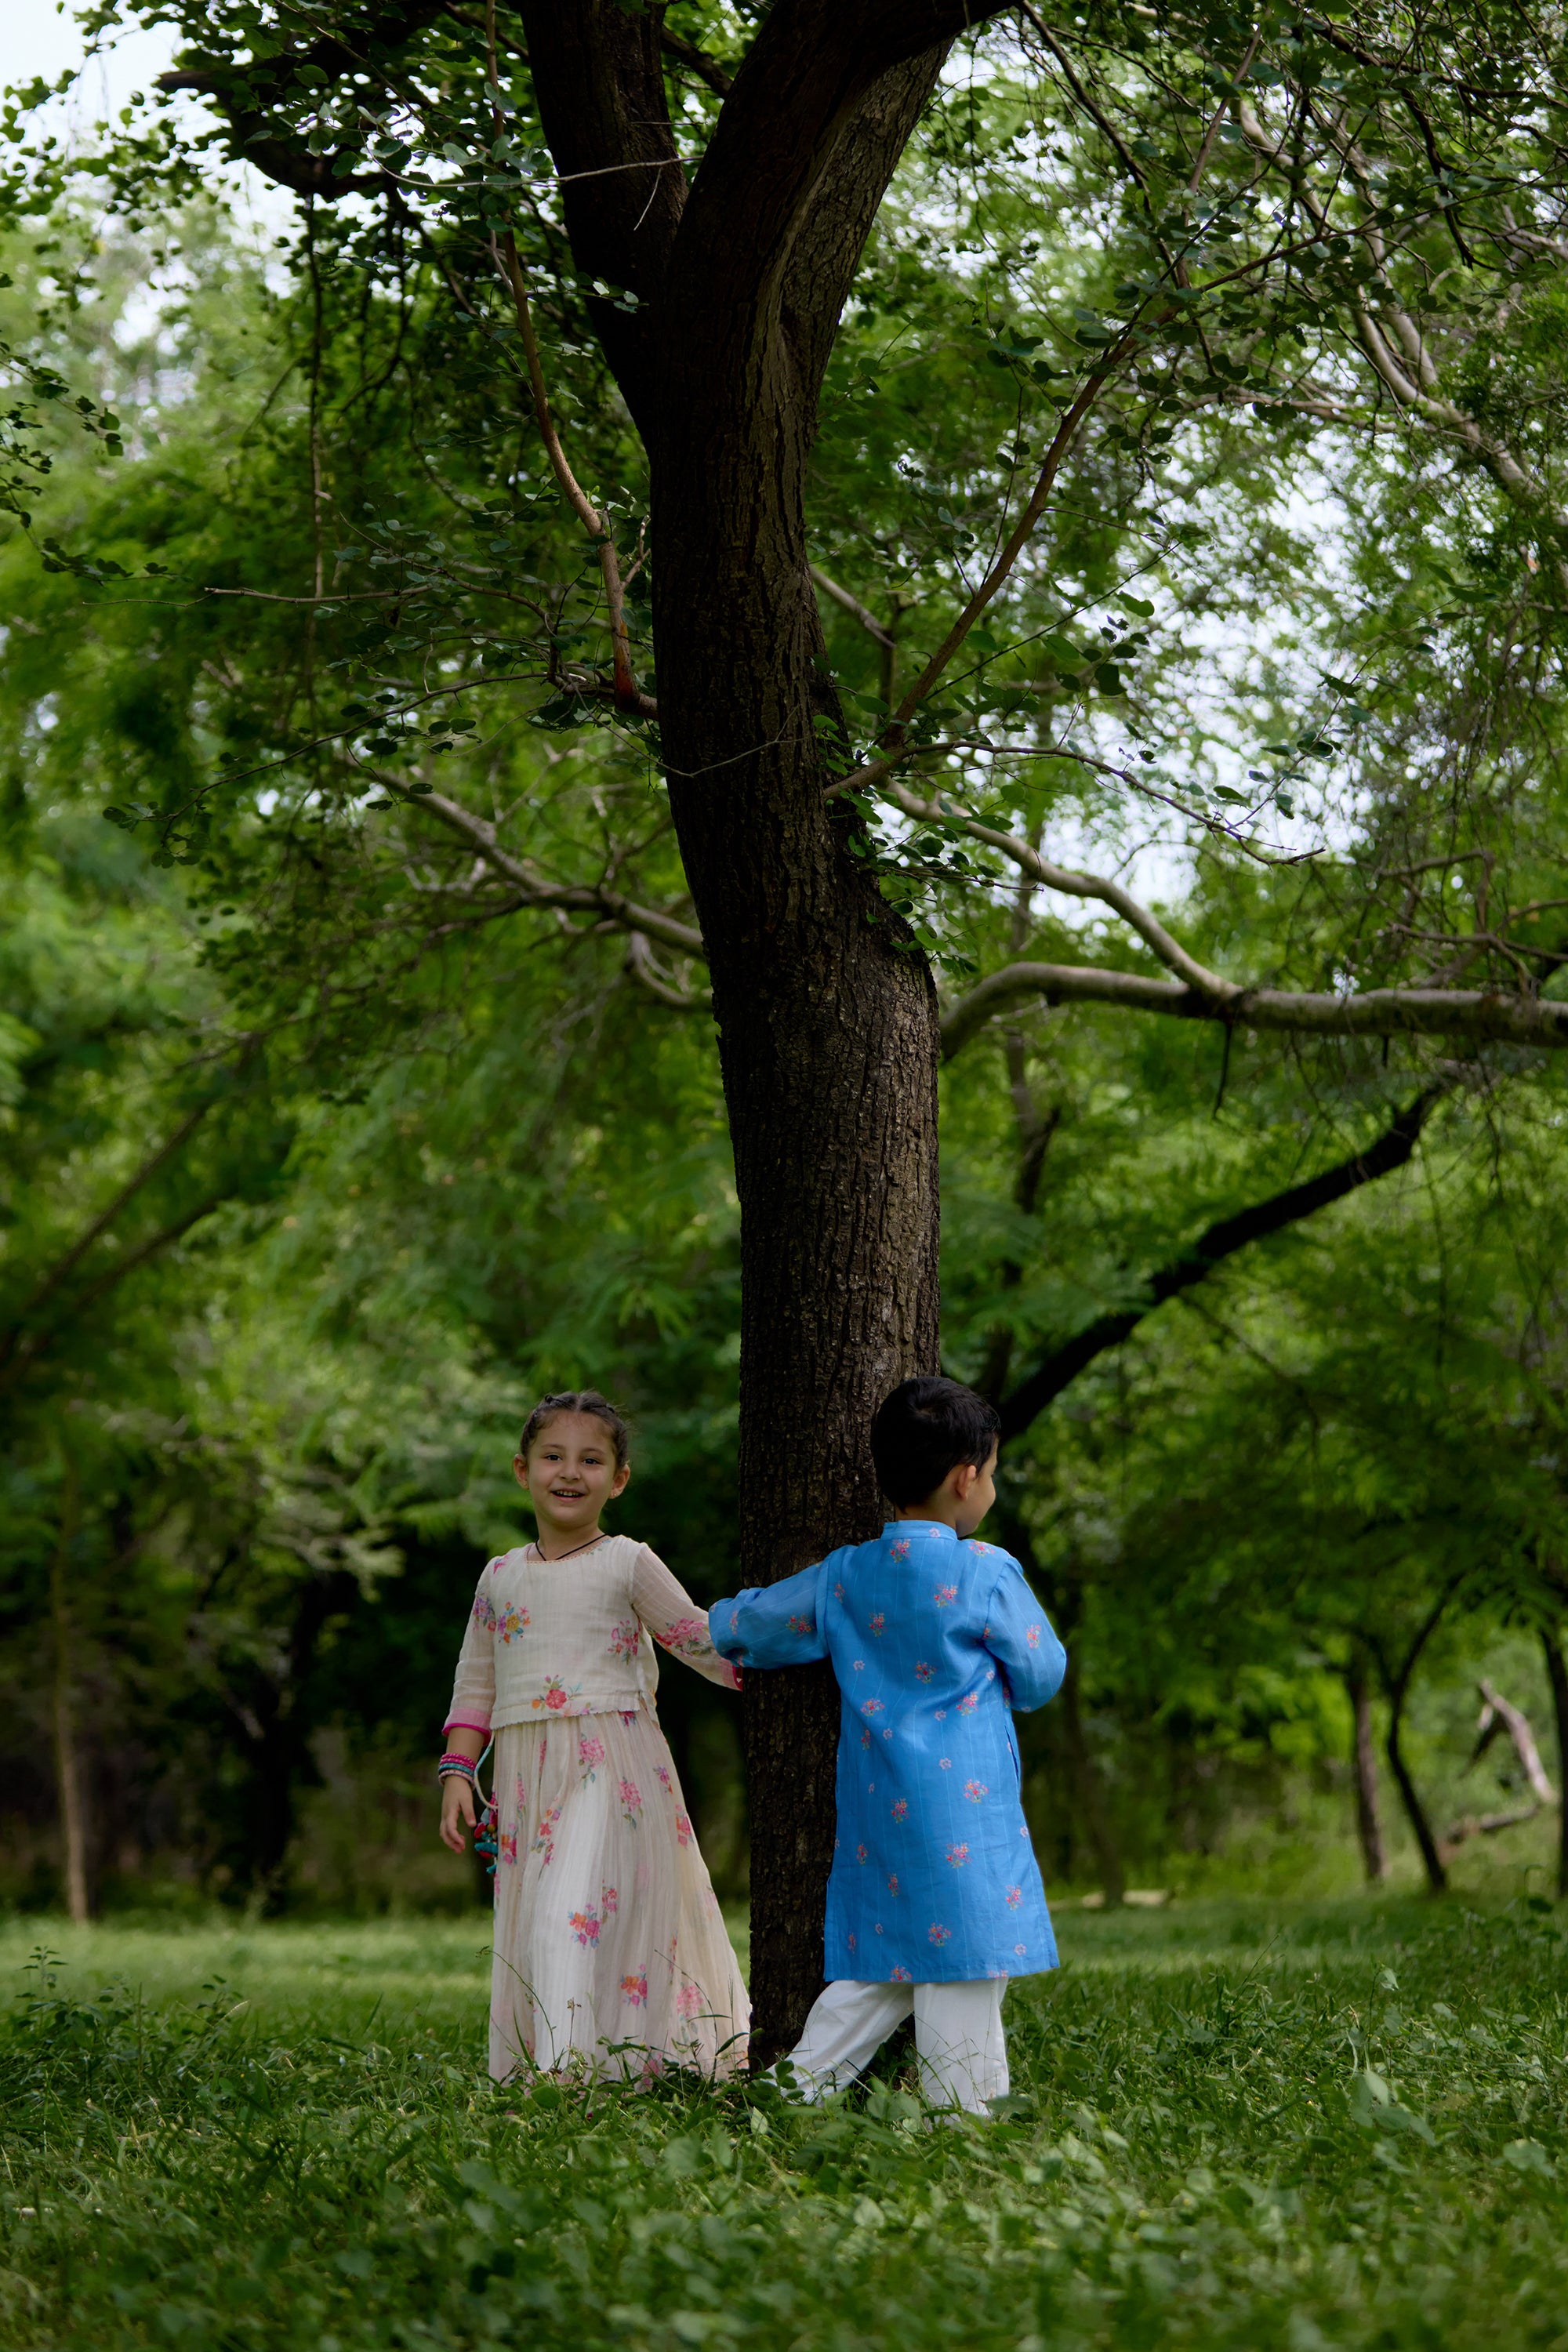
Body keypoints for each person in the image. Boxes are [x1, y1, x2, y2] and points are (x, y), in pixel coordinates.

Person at [708, 1375, 1065, 2115]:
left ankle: (791, 2094)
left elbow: (755, 1627)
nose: (990, 1485)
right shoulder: (986, 1572)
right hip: (970, 1826)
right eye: (992, 1473)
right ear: (967, 1478)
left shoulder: (846, 1574)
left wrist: (710, 1621)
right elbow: (1040, 1672)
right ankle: (964, 2129)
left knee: (879, 1977)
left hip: (883, 1821)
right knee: (963, 1976)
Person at [438, 1390, 750, 2085]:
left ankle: (573, 2073)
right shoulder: (499, 1578)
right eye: (553, 1457)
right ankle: (574, 2065)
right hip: (527, 1774)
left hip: (612, 1765)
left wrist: (776, 1656)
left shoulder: (628, 1561)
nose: (570, 1473)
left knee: (571, 1915)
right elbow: (476, 1685)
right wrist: (458, 1770)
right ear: (523, 1470)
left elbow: (695, 1638)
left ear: (619, 1479)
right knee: (548, 1921)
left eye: (591, 1459)